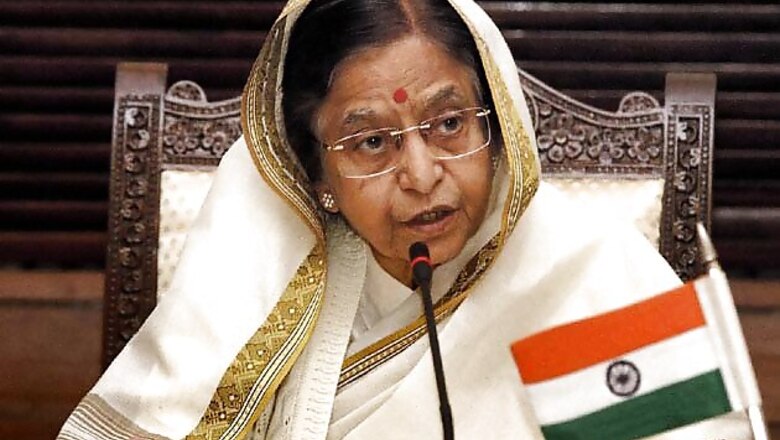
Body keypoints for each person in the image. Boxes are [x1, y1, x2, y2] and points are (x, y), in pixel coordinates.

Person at [58, 0, 752, 439]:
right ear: (317, 176)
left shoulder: (592, 274)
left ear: (499, 127)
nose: (421, 174)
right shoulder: (256, 281)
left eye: (449, 124)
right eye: (371, 142)